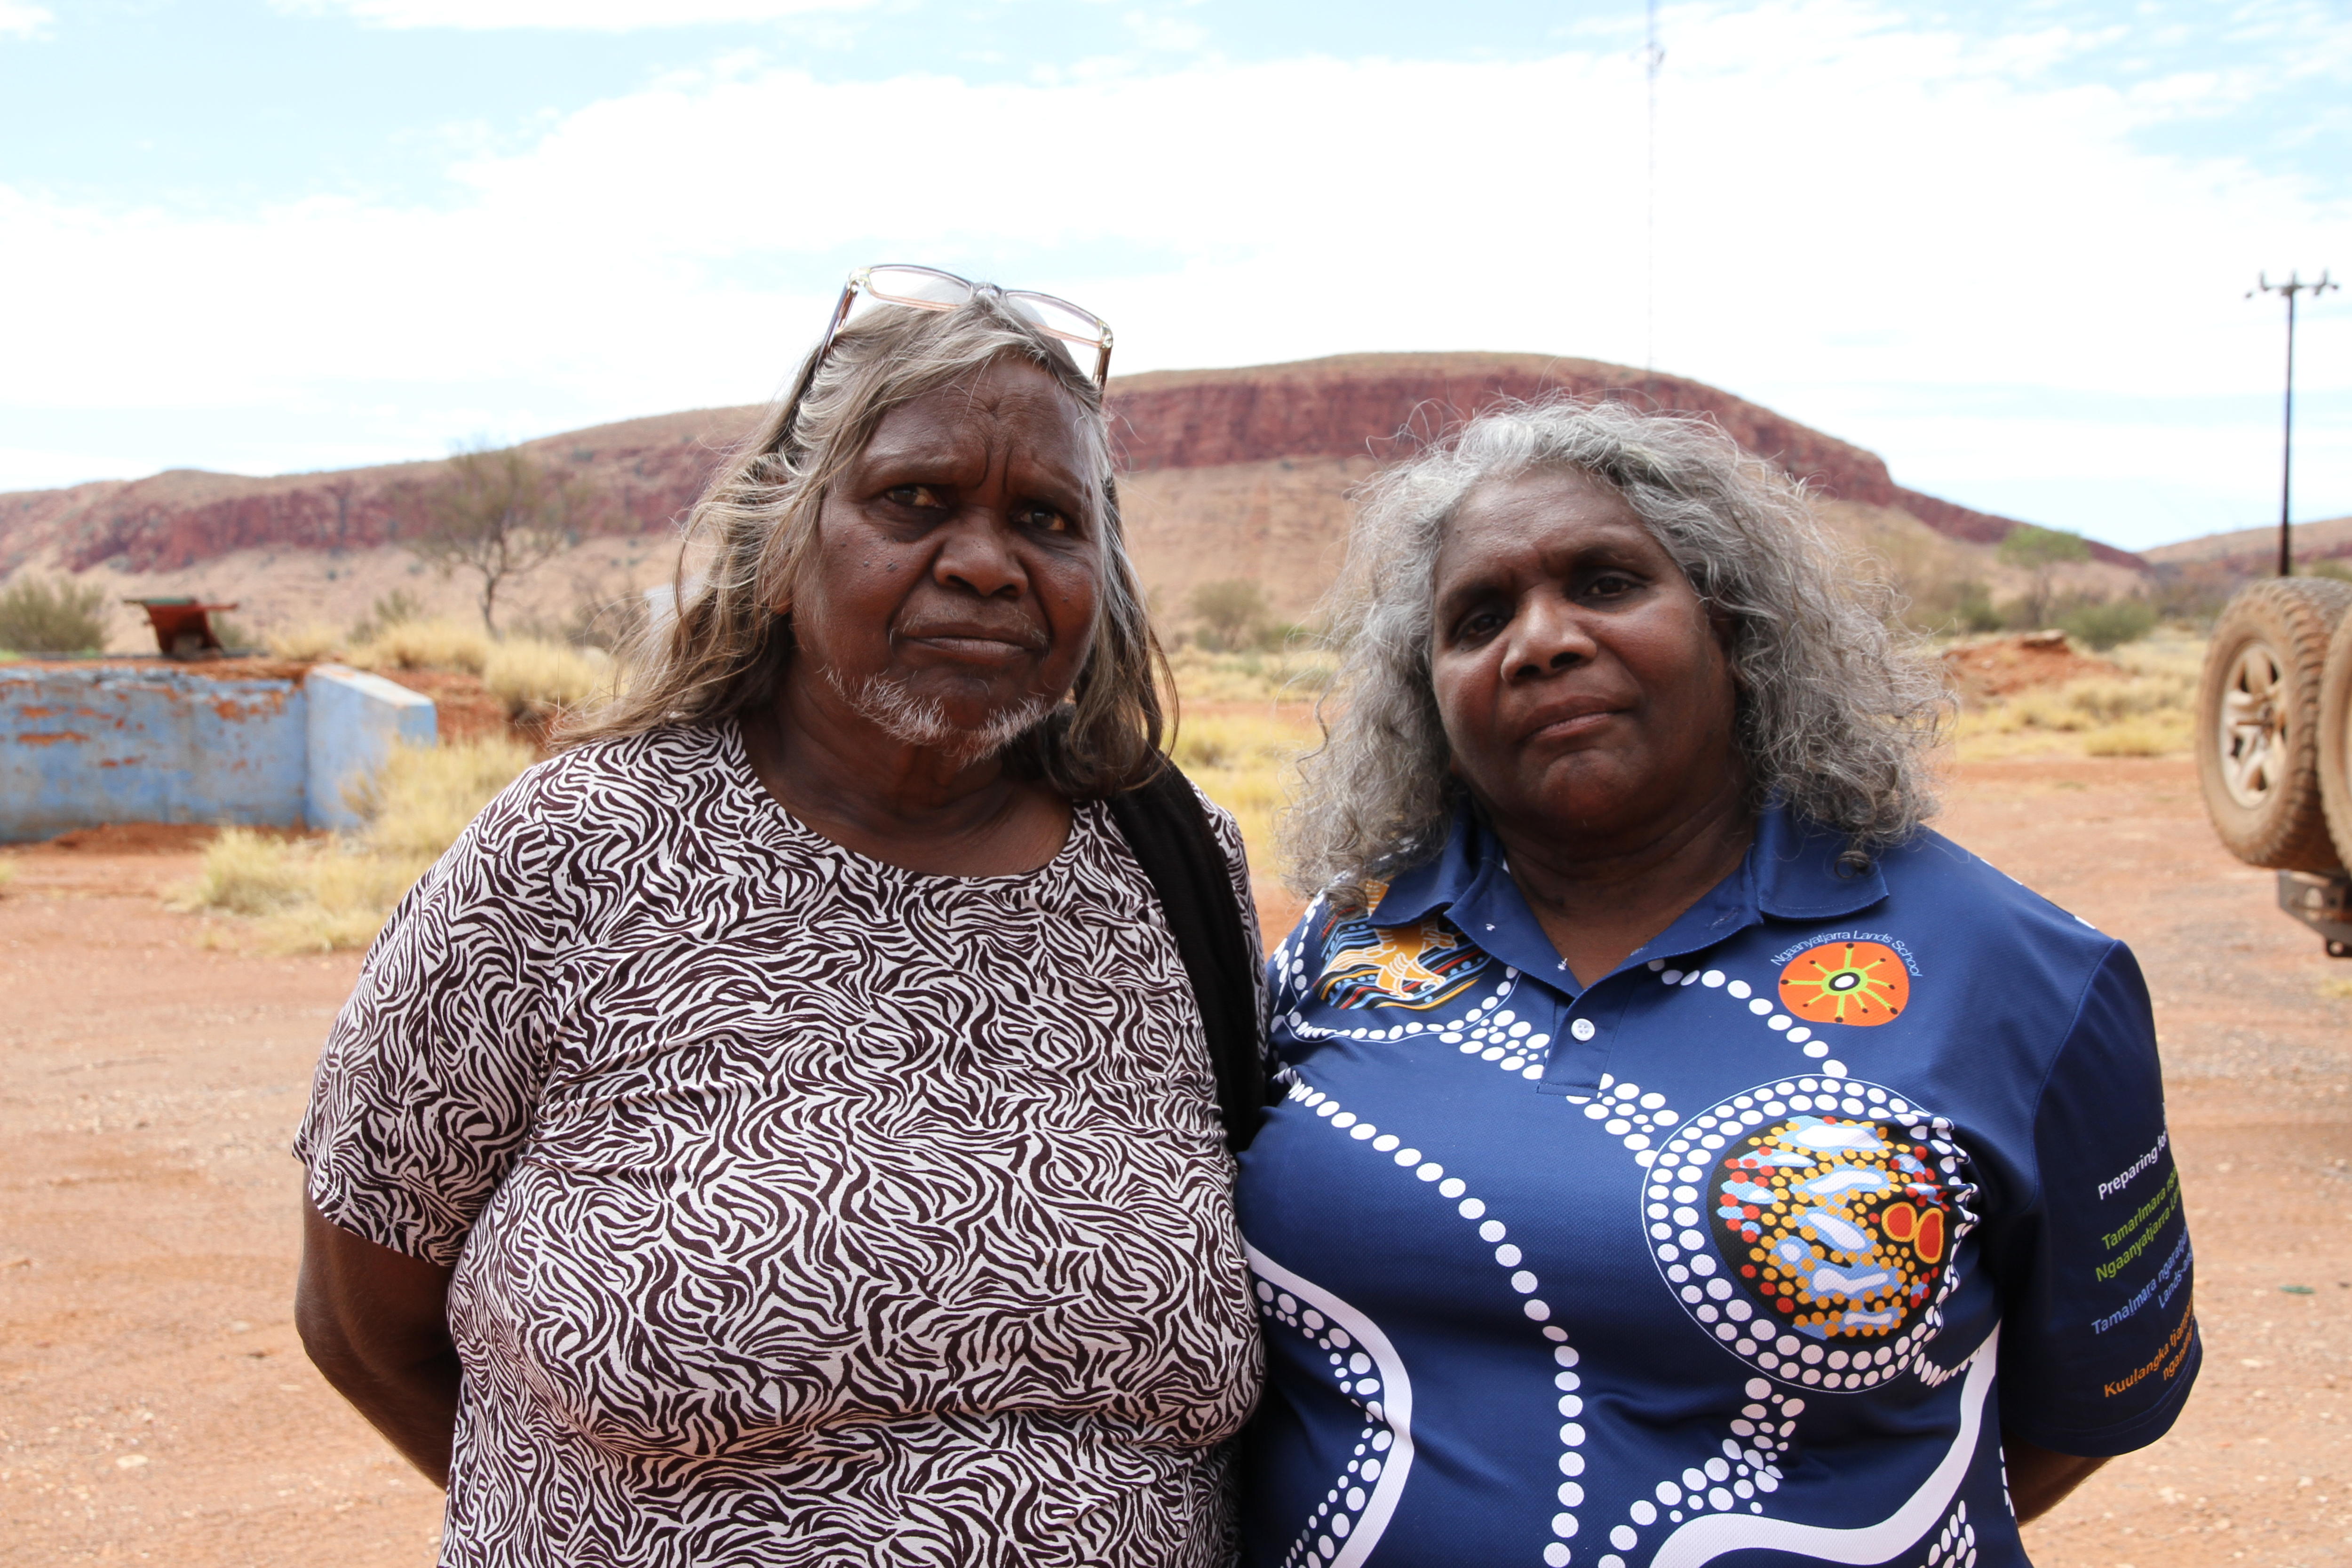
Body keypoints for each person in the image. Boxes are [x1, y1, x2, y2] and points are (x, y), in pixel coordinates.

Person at [293, 267, 1270, 1567]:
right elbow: (361, 1323)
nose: (986, 562)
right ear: (782, 546)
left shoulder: (1173, 867)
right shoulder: (570, 852)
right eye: (914, 499)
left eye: (1047, 519)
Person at [1235, 401, 2199, 1568]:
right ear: (1429, 694)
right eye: (1477, 619)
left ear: (1735, 626)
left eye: (1605, 583)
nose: (1540, 641)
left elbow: (2077, 1409)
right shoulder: (1340, 948)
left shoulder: (2021, 974)